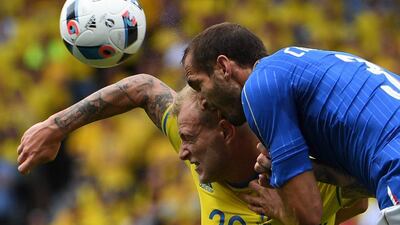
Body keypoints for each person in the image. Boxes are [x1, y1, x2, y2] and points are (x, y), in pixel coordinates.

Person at [17, 74, 366, 224]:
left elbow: (360, 197)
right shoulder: (202, 147)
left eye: (188, 139)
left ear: (225, 132)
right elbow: (143, 87)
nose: (181, 152)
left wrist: (293, 218)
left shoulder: (299, 163)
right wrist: (55, 126)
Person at [182, 22, 400, 225]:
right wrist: (313, 170)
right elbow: (363, 189)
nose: (203, 101)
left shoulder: (259, 88)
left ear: (223, 67)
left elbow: (310, 216)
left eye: (198, 85)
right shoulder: (298, 64)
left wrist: (282, 210)